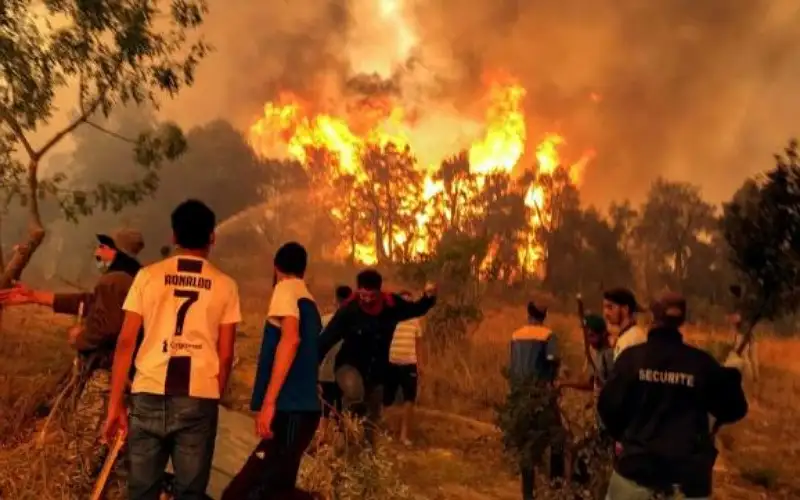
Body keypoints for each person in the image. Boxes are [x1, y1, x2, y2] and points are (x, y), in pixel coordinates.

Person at [103, 199, 241, 500]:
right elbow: (227, 353)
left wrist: (115, 404)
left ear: (173, 237)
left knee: (141, 491)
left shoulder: (147, 277)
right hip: (198, 398)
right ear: (212, 237)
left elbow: (126, 342)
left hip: (148, 391)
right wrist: (212, 393)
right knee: (190, 492)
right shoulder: (226, 285)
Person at [0, 229, 144, 491]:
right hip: (130, 376)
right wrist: (36, 297)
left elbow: (106, 327)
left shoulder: (114, 281)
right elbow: (90, 302)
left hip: (108, 376)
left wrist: (80, 337)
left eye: (102, 247)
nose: (97, 252)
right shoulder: (133, 279)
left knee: (85, 447)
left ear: (115, 251)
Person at [599, 292, 748, 500]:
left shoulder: (631, 360)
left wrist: (626, 438)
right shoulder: (701, 364)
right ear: (682, 320)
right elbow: (734, 408)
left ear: (652, 316)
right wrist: (732, 375)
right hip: (687, 484)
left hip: (634, 476)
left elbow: (608, 408)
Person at [222, 242, 321, 500]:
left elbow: (290, 340)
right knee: (277, 485)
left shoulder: (285, 289)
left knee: (244, 493)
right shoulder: (308, 299)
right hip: (303, 410)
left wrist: (269, 403)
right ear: (303, 269)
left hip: (289, 408)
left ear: (276, 268)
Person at [318, 269, 436, 446]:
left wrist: (429, 297)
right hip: (349, 367)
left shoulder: (392, 306)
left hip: (377, 372)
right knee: (354, 393)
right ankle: (343, 430)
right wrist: (311, 369)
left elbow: (416, 309)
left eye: (371, 295)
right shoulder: (349, 311)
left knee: (372, 420)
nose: (366, 299)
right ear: (358, 291)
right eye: (363, 295)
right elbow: (325, 340)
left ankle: (366, 455)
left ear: (379, 292)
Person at [509, 300, 565, 500]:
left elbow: (512, 367)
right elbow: (552, 361)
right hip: (541, 397)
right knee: (558, 438)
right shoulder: (548, 335)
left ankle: (527, 494)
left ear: (528, 313)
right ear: (544, 316)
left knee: (526, 445)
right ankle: (557, 488)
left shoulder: (515, 336)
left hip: (519, 397)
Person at [383, 290, 424, 446]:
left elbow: (419, 343)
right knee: (387, 400)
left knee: (409, 399)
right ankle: (390, 431)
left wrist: (420, 365)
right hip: (391, 363)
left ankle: (404, 434)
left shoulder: (415, 320)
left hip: (409, 364)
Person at [316, 285, 352, 444]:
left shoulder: (325, 319)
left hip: (326, 369)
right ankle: (340, 440)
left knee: (325, 405)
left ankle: (322, 437)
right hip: (345, 371)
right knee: (342, 405)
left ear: (336, 300)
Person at [602, 287, 646, 361]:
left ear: (625, 309)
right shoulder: (626, 336)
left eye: (610, 307)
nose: (606, 313)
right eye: (604, 308)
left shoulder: (634, 338)